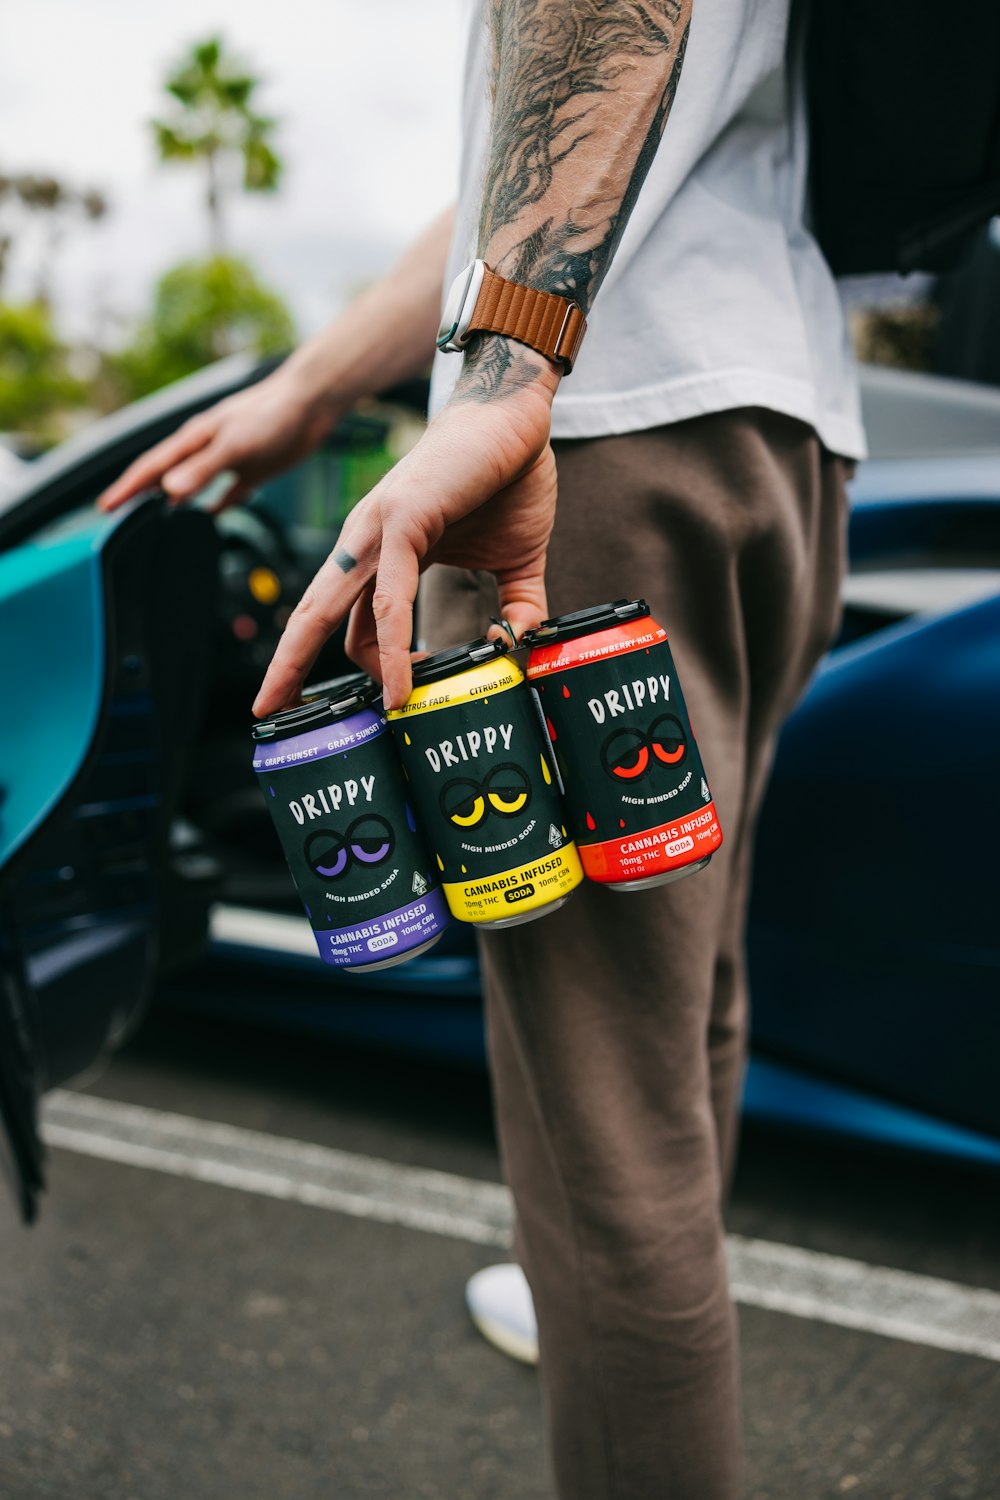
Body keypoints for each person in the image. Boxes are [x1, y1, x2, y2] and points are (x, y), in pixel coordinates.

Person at [100, 1, 865, 1494]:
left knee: (608, 1162)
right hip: (779, 438)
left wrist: (505, 378)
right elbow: (545, 148)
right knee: (687, 1030)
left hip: (596, 449)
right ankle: (615, 1318)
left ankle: (617, 1335)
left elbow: (594, 39)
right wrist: (314, 387)